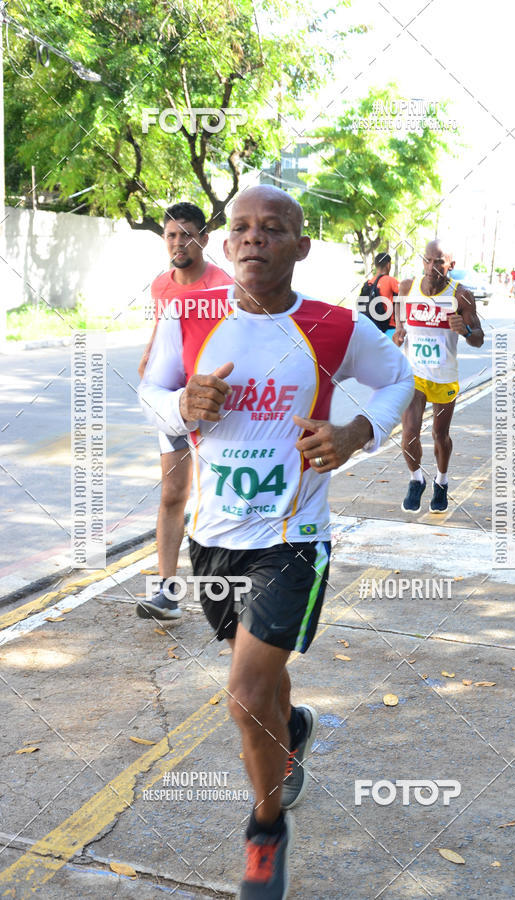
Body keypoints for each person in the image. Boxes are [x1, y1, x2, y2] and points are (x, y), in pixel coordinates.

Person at [139, 184, 414, 898]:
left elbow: (398, 379)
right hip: (213, 539)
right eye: (243, 228)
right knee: (260, 686)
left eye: (274, 228)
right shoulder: (190, 317)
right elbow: (153, 389)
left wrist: (357, 433)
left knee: (240, 694)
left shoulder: (334, 326)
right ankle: (290, 728)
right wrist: (181, 404)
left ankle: (265, 828)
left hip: (294, 538)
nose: (255, 237)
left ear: (300, 246)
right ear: (227, 247)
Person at [136, 202, 232, 621]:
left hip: (217, 407)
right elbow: (163, 334)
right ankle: (167, 593)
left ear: (204, 240)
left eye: (187, 234)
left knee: (220, 496)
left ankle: (228, 590)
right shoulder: (161, 285)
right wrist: (148, 359)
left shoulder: (225, 287)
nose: (178, 242)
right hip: (174, 403)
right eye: (172, 235)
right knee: (173, 494)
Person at [393, 239, 484, 513]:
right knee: (409, 433)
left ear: (451, 266)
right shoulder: (408, 287)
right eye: (428, 260)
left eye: (439, 262)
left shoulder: (461, 295)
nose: (432, 267)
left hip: (444, 376)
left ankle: (441, 482)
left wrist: (466, 332)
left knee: (439, 435)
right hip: (414, 374)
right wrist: (399, 331)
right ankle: (416, 479)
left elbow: (479, 339)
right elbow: (400, 317)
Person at [358, 251, 399, 333]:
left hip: (372, 327)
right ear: (388, 265)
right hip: (389, 327)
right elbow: (408, 294)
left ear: (376, 265)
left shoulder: (369, 282)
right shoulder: (391, 281)